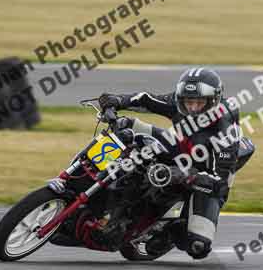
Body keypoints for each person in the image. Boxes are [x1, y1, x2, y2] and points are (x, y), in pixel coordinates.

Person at [98, 67, 254, 259]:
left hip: (206, 174)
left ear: (213, 101)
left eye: (199, 103)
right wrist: (117, 101)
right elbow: (147, 100)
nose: (193, 108)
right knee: (127, 127)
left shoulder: (225, 129)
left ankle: (170, 230)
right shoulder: (179, 102)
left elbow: (219, 182)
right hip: (182, 147)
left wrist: (187, 175)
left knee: (198, 246)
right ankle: (101, 180)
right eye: (189, 102)